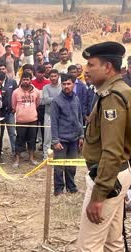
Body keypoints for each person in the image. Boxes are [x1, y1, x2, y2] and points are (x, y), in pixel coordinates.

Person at [76, 41, 131, 251]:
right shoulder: (120, 90)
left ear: (107, 67)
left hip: (107, 177)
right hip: (117, 174)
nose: (86, 70)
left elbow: (111, 151)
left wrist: (98, 196)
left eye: (91, 65)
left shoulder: (112, 97)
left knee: (88, 246)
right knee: (113, 242)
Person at [51, 73, 83, 196]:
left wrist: (81, 136)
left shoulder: (76, 98)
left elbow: (79, 117)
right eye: (64, 84)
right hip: (61, 140)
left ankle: (71, 188)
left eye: (68, 83)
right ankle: (59, 190)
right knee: (59, 167)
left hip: (74, 139)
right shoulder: (56, 101)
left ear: (73, 84)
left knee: (71, 166)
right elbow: (54, 122)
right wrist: (55, 141)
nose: (66, 86)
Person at [11, 72, 41, 168]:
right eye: (24, 79)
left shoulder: (36, 91)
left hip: (33, 120)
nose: (25, 81)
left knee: (32, 140)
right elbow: (13, 106)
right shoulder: (16, 92)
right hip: (21, 120)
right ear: (21, 80)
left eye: (27, 79)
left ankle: (31, 158)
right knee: (19, 140)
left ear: (30, 80)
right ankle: (17, 160)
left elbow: (37, 104)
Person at [0, 71, 17, 161]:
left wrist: (13, 108)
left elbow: (14, 96)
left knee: (12, 133)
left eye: (1, 80)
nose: (0, 82)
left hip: (9, 113)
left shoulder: (10, 85)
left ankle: (16, 152)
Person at [41, 69, 61, 160]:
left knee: (59, 136)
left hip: (61, 115)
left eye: (55, 76)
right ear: (49, 77)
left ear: (58, 76)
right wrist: (58, 100)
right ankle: (46, 157)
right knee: (47, 137)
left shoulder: (62, 87)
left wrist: (52, 99)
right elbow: (45, 100)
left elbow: (63, 99)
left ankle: (59, 155)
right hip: (48, 114)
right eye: (51, 76)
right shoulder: (46, 87)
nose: (53, 78)